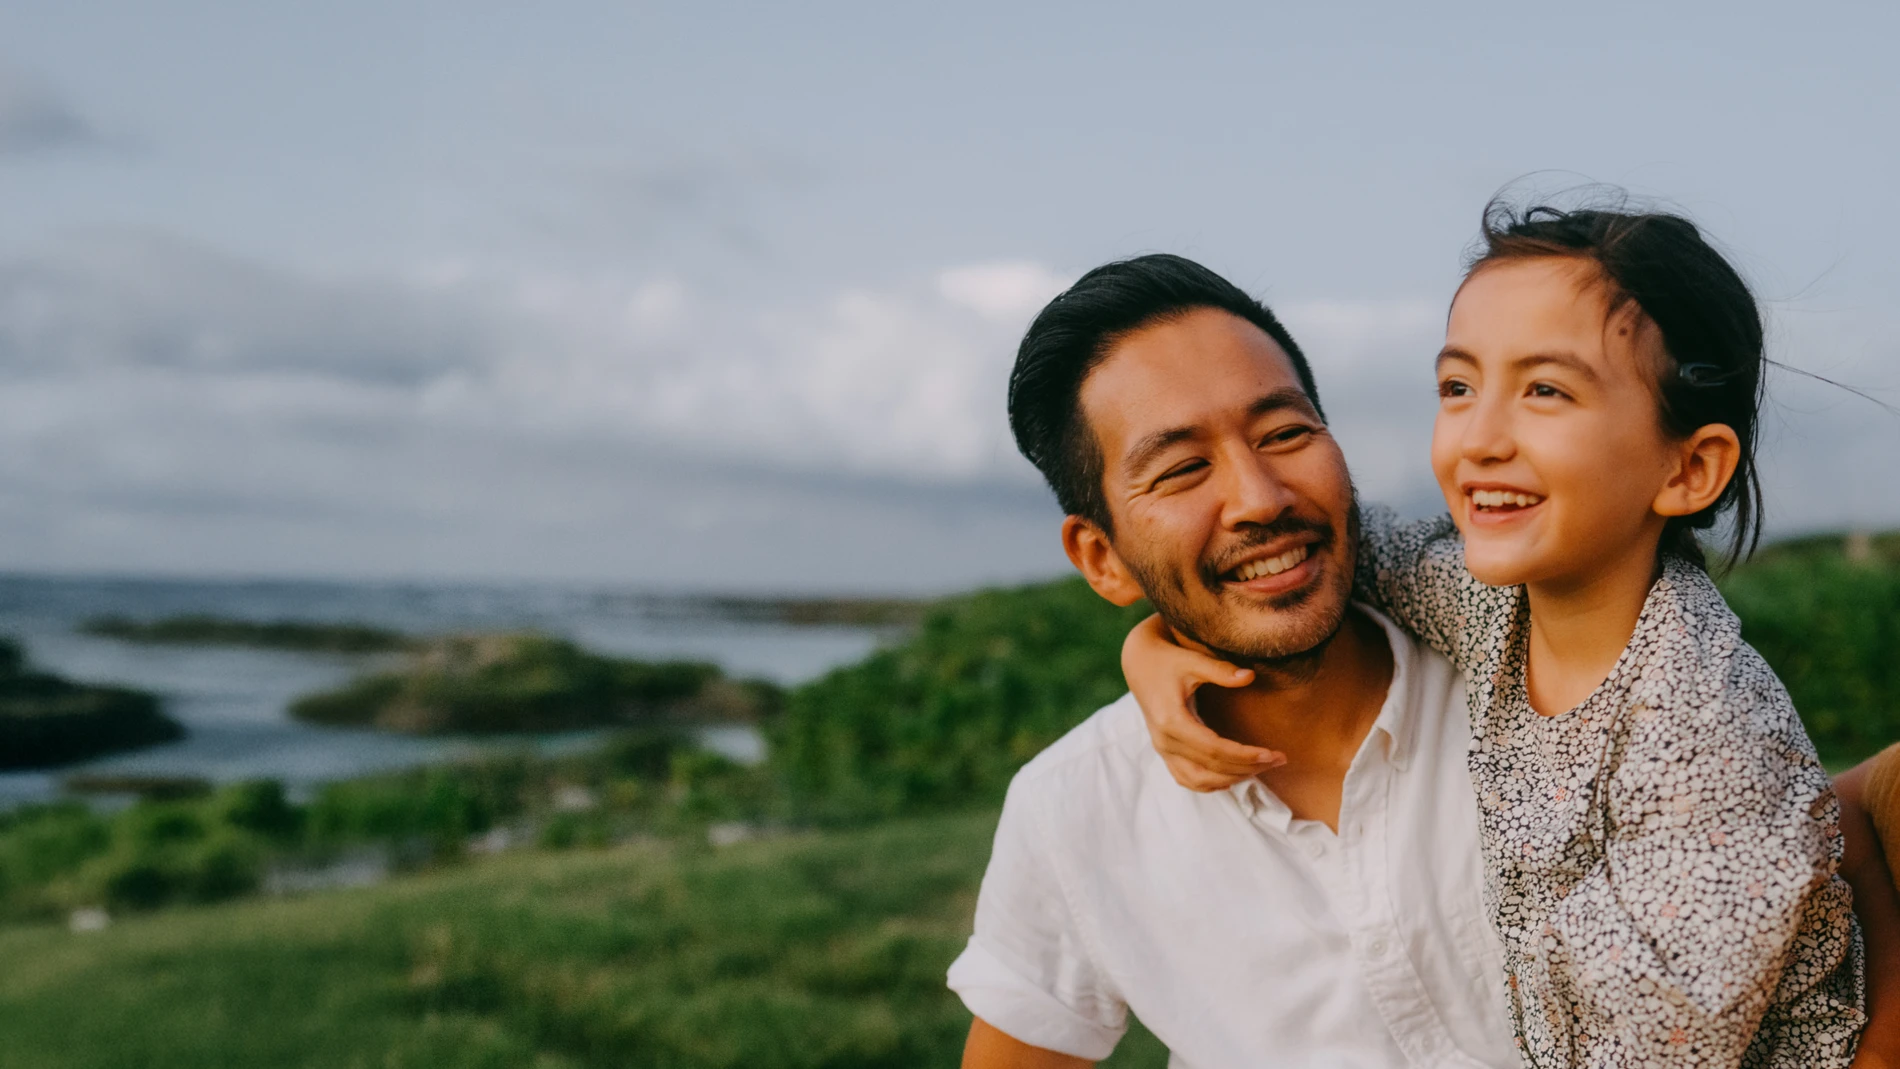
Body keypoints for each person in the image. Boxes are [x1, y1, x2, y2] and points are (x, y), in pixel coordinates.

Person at [1119, 203, 1884, 1066]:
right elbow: (1327, 554)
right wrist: (1151, 641)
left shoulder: (1699, 736)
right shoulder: (1498, 609)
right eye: (1458, 387)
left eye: (1545, 391)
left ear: (1687, 468)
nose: (1479, 438)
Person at [952, 252, 1524, 1067]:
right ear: (1102, 557)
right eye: (1183, 469)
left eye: (1286, 433)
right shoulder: (1077, 808)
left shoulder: (1541, 686)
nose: (1261, 497)